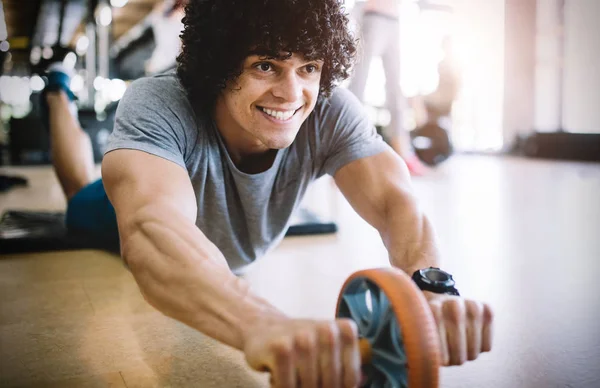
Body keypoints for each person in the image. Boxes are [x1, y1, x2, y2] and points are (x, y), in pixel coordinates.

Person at [42, 0, 493, 386]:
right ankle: (57, 87)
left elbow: (397, 202)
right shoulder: (159, 102)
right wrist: (262, 323)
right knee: (77, 191)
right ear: (221, 63)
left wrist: (431, 286)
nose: (291, 93)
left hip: (219, 251)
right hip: (120, 205)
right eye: (265, 65)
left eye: (309, 67)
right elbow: (150, 230)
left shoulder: (331, 112)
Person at [348, 0, 429, 176]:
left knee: (395, 91)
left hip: (394, 20)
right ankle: (344, 155)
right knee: (358, 86)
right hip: (373, 17)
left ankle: (404, 155)